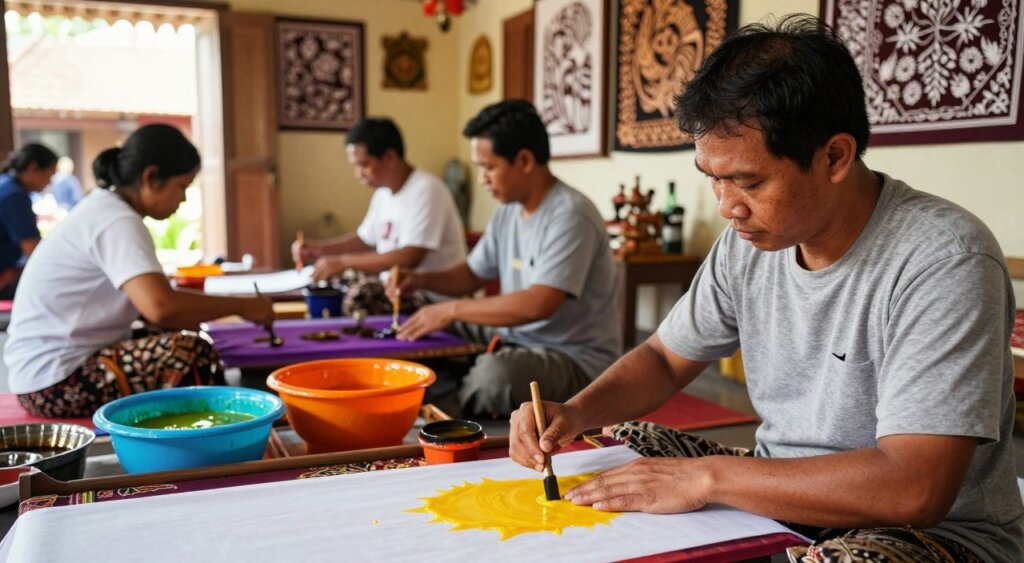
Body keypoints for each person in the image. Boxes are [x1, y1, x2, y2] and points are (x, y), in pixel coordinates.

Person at [509, 15, 1023, 563]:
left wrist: (706, 478)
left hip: (929, 534)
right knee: (621, 441)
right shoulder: (748, 243)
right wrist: (575, 412)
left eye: (749, 182)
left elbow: (915, 488)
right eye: (713, 177)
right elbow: (663, 358)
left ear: (834, 157)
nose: (727, 207)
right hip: (787, 495)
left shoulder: (944, 259)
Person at [4, 124, 275, 418]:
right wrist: (245, 307)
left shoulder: (106, 208)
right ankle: (217, 436)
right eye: (182, 186)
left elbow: (157, 307)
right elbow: (161, 307)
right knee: (190, 350)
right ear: (150, 178)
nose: (183, 199)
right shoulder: (116, 219)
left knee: (180, 333)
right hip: (53, 381)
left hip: (47, 372)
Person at [391, 100, 621, 418]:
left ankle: (440, 404)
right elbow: (471, 275)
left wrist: (450, 309)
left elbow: (538, 304)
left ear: (524, 160)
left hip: (573, 358)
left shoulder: (571, 215)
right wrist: (419, 281)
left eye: (489, 167)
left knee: (494, 375)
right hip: (515, 339)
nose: (482, 179)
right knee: (421, 319)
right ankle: (449, 387)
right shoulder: (508, 212)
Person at [293, 118, 466, 293]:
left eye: (364, 165)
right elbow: (364, 239)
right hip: (394, 292)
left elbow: (409, 258)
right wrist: (319, 250)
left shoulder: (427, 190)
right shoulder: (383, 193)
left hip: (429, 297)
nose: (358, 174)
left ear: (389, 158)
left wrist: (343, 262)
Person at [0, 143, 58, 299]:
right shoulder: (14, 196)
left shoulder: (6, 184)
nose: (49, 182)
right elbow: (33, 250)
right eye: (50, 175)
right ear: (33, 168)